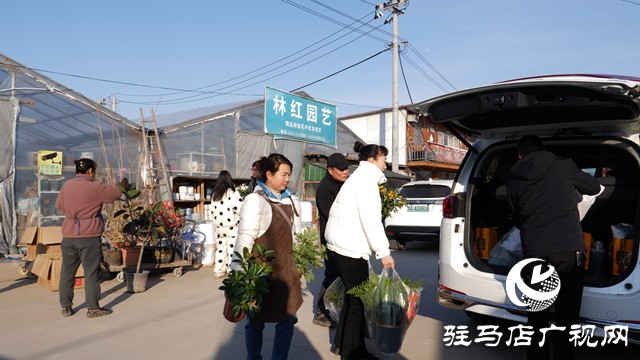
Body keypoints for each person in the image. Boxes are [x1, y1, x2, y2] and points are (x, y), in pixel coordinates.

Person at [505, 135, 601, 360]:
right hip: (568, 250)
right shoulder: (563, 166)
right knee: (567, 315)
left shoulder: (512, 180)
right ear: (544, 149)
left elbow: (518, 220)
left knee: (537, 314)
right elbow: (594, 187)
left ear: (519, 155)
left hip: (534, 252)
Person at [325, 142, 395, 360]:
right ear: (373, 160)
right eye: (384, 160)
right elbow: (371, 221)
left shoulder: (358, 178)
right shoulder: (365, 182)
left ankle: (342, 345)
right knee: (358, 302)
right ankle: (354, 353)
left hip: (341, 246)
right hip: (349, 249)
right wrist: (384, 252)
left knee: (352, 298)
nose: (386, 164)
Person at [232, 153, 303, 360]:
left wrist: (298, 264)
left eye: (289, 175)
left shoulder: (291, 198)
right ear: (269, 174)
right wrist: (238, 273)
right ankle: (254, 358)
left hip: (287, 270)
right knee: (255, 320)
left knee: (288, 319)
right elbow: (245, 237)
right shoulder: (255, 200)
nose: (287, 179)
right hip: (260, 272)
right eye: (284, 174)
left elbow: (296, 236)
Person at [55, 158, 122, 318]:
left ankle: (66, 307)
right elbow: (116, 192)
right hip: (89, 236)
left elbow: (59, 206)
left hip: (69, 235)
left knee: (67, 272)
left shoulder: (67, 185)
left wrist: (73, 214)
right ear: (91, 171)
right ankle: (92, 309)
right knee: (92, 272)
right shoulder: (96, 187)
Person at [313, 153, 350, 328]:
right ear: (330, 170)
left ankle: (337, 309)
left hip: (346, 237)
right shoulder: (325, 189)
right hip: (332, 239)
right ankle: (321, 313)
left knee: (343, 276)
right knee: (332, 275)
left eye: (347, 168)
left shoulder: (345, 184)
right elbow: (331, 215)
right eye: (341, 169)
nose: (346, 171)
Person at [210, 170, 243, 278]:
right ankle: (231, 270)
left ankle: (219, 271)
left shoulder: (214, 193)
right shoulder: (232, 192)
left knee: (220, 248)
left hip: (219, 226)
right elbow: (238, 207)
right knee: (232, 248)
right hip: (231, 226)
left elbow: (212, 210)